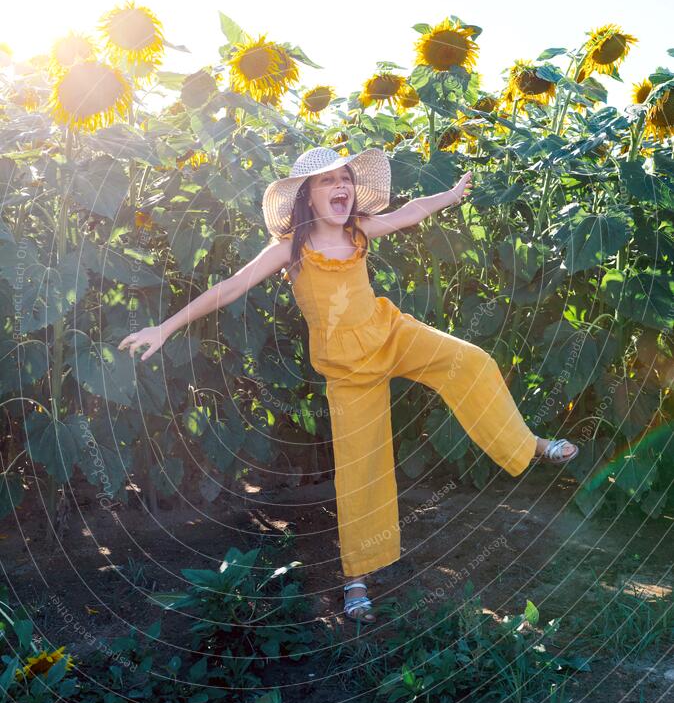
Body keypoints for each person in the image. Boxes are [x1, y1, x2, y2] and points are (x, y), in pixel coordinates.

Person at [118, 146, 579, 625]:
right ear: (306, 197)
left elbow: (408, 213)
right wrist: (164, 328)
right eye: (326, 181)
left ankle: (530, 444)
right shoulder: (290, 248)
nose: (341, 186)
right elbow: (231, 286)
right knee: (361, 472)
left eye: (345, 178)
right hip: (346, 369)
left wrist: (451, 194)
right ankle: (356, 577)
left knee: (472, 361)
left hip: (391, 334)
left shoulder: (358, 230)